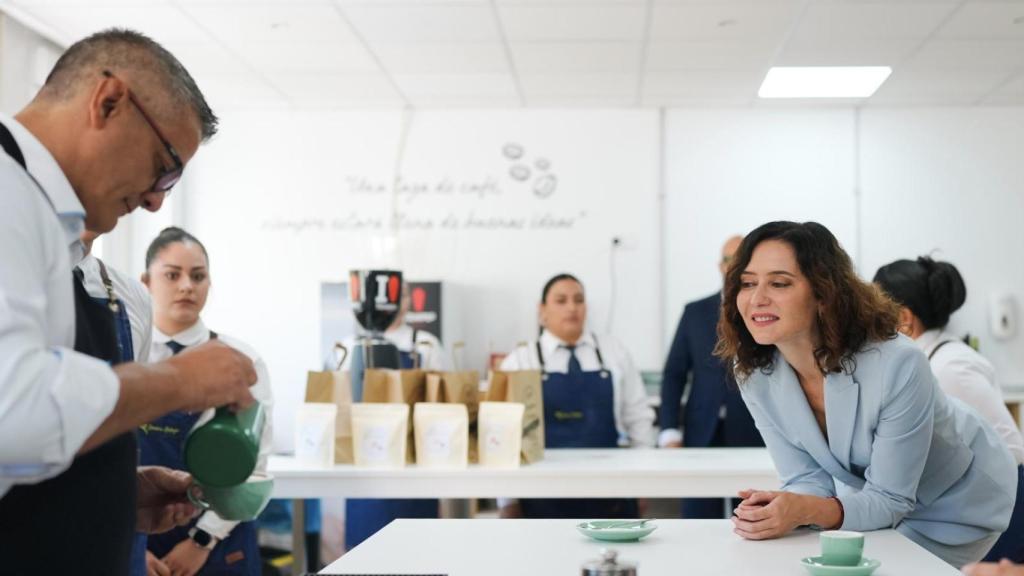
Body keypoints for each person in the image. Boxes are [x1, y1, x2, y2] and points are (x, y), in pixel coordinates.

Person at [0, 29, 257, 575]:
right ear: (109, 101)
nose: (156, 198)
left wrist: (107, 493)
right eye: (164, 164)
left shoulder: (47, 227)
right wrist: (181, 381)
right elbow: (10, 411)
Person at [718, 221, 1016, 568]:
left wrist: (804, 510)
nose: (757, 298)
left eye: (779, 283)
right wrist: (783, 507)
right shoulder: (755, 371)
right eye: (747, 283)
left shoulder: (898, 362)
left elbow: (890, 500)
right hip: (876, 502)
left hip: (957, 501)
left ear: (823, 295)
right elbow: (805, 478)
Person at [140, 227, 274, 576]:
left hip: (219, 543)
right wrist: (128, 546)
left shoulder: (239, 361)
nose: (187, 285)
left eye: (197, 276)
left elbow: (254, 468)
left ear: (209, 285)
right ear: (146, 282)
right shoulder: (129, 361)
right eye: (173, 274)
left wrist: (202, 540)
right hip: (138, 537)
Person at [875, 256, 1024, 564]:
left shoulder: (949, 367)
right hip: (975, 501)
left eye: (873, 312)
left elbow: (1006, 451)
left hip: (999, 506)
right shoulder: (934, 359)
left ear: (903, 318)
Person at [498, 273, 655, 519]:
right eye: (561, 300)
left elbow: (639, 418)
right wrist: (506, 499)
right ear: (542, 310)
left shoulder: (615, 352)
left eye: (578, 300)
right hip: (542, 493)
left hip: (610, 491)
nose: (571, 307)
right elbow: (503, 436)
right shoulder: (520, 360)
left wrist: (643, 485)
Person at [659, 235, 764, 519]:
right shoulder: (695, 312)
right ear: (720, 266)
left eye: (742, 260)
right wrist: (669, 430)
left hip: (753, 433)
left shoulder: (765, 311)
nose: (735, 267)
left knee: (753, 519)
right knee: (697, 519)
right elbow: (674, 374)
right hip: (700, 433)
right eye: (730, 260)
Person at [342, 283, 444, 550]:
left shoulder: (425, 345)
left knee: (420, 556)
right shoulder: (349, 346)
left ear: (408, 301)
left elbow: (442, 410)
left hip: (415, 472)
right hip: (365, 473)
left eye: (401, 294)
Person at [79, 230, 157, 576]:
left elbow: (130, 416)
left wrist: (129, 485)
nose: (153, 201)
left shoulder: (133, 296)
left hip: (119, 520)